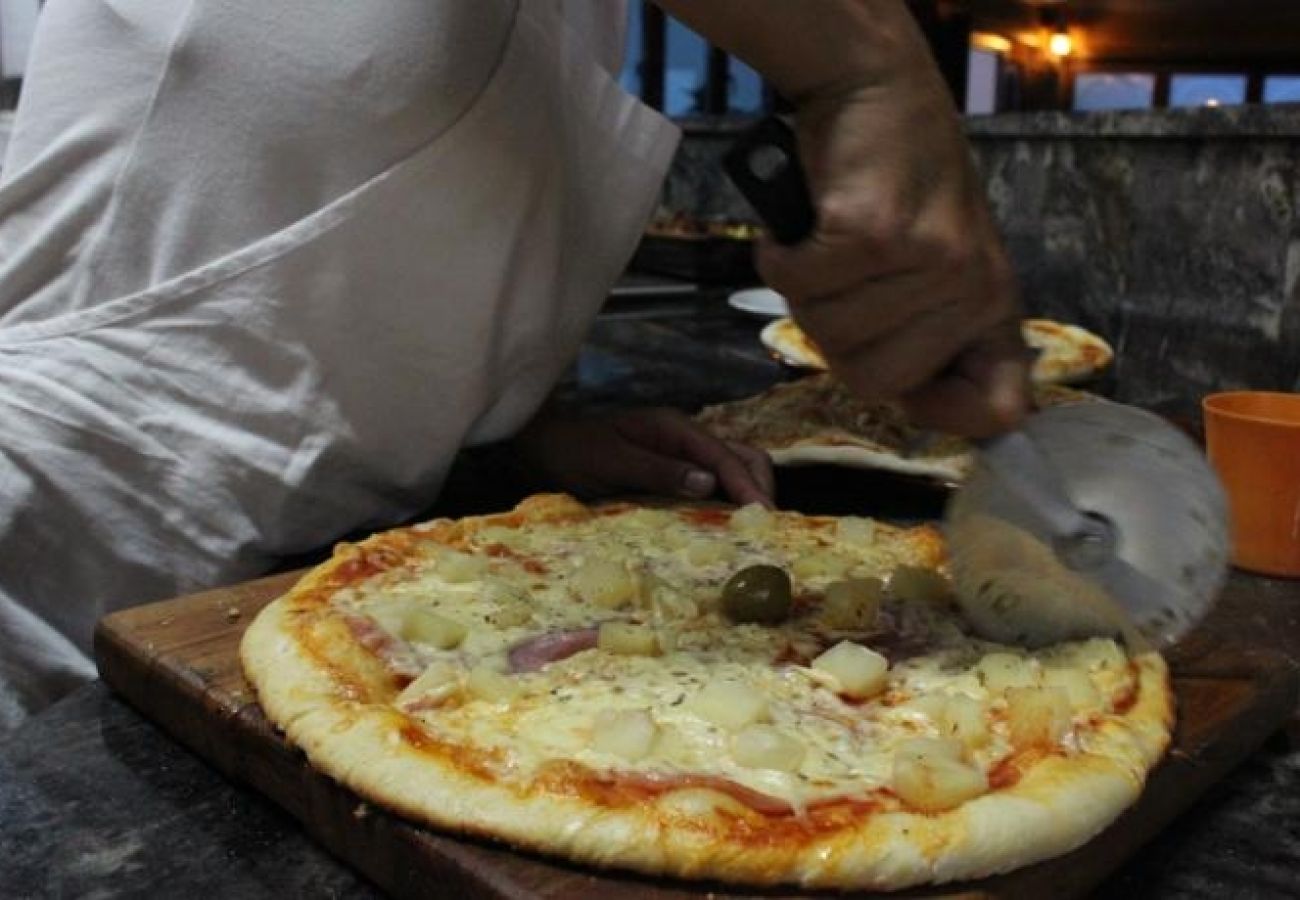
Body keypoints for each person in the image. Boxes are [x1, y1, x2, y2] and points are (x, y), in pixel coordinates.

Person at [0, 0, 1027, 733]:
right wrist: (869, 68)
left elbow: (300, 330)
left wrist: (501, 443)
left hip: (315, 626)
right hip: (43, 617)